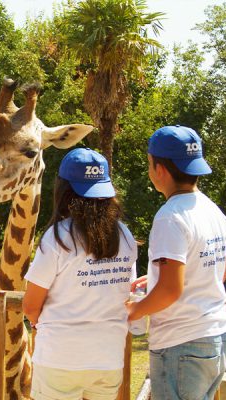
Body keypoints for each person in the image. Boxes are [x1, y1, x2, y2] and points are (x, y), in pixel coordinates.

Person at [23, 148, 138, 400]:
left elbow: (31, 306)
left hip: (59, 358)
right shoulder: (125, 236)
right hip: (108, 358)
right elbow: (125, 294)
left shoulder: (57, 238)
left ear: (63, 189)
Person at [127, 125, 226, 400]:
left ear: (159, 170)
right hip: (216, 338)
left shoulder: (170, 216)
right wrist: (158, 276)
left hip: (181, 344)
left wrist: (134, 310)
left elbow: (170, 291)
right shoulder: (213, 211)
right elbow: (217, 272)